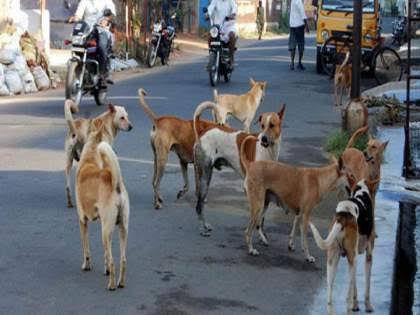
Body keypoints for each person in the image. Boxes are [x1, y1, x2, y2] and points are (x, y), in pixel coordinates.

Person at [69, 0, 116, 84]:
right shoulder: (85, 1)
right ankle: (81, 69)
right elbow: (78, 14)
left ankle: (103, 73)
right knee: (78, 45)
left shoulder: (107, 1)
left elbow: (111, 14)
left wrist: (106, 20)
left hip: (102, 30)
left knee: (101, 46)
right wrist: (75, 18)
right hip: (87, 30)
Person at [207, 0, 238, 69]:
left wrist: (232, 14)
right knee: (210, 36)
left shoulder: (231, 1)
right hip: (217, 26)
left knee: (232, 36)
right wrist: (208, 14)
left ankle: (231, 58)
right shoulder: (215, 0)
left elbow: (234, 8)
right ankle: (211, 56)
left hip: (229, 26)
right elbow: (210, 8)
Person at [289, 0, 309, 71]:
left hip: (292, 25)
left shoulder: (292, 1)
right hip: (299, 26)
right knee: (301, 45)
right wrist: (307, 26)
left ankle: (292, 63)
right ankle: (299, 63)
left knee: (292, 45)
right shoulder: (299, 1)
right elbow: (303, 14)